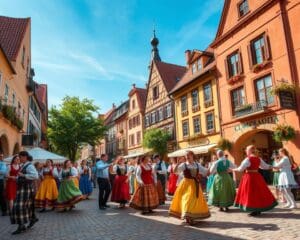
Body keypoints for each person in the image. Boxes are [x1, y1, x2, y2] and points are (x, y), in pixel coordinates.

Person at [233, 145, 277, 216]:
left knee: (251, 193)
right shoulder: (258, 159)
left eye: (246, 150)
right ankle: (258, 209)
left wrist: (233, 169)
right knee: (258, 193)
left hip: (249, 177)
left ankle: (254, 210)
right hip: (257, 177)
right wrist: (273, 166)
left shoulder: (248, 159)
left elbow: (240, 169)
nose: (245, 151)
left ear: (249, 151)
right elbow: (265, 167)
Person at [169, 151, 210, 225]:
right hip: (186, 185)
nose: (187, 156)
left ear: (192, 156)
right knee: (187, 199)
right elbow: (175, 172)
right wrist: (177, 163)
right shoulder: (184, 165)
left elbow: (206, 171)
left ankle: (191, 216)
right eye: (186, 155)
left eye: (189, 155)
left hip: (195, 185)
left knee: (194, 200)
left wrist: (212, 167)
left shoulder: (197, 165)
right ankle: (187, 216)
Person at [10, 151, 39, 235]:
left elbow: (35, 176)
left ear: (25, 157)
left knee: (19, 207)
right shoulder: (23, 165)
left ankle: (22, 225)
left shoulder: (29, 165)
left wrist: (23, 176)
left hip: (26, 189)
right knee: (26, 206)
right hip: (22, 189)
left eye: (20, 157)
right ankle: (32, 219)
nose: (19, 159)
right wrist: (16, 178)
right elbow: (21, 175)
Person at [0, 152, 8, 216]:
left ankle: (4, 210)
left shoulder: (3, 163)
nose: (1, 157)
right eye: (0, 156)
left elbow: (3, 172)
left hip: (0, 180)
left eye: (2, 156)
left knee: (2, 196)